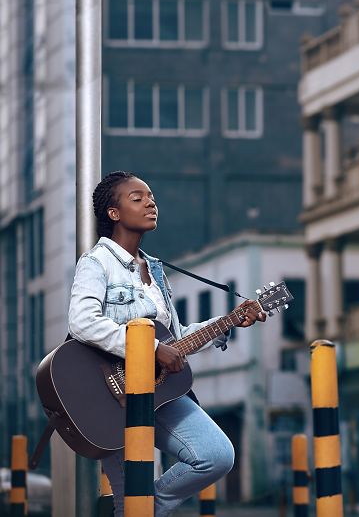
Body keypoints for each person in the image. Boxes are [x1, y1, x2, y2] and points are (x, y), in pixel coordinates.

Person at [68, 171, 267, 516]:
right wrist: (149, 349)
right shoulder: (96, 262)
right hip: (111, 395)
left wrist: (229, 321)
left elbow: (172, 338)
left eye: (152, 198)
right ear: (113, 213)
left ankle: (139, 506)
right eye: (137, 198)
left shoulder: (155, 270)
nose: (150, 203)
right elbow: (82, 322)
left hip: (160, 394)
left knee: (217, 455)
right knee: (129, 495)